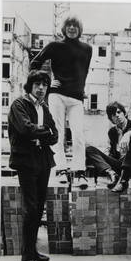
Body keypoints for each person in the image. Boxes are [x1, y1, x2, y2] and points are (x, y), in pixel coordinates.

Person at [30, 15, 92, 189]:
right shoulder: (54, 46)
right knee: (57, 133)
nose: (72, 28)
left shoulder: (87, 49)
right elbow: (35, 63)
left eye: (75, 25)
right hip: (57, 95)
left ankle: (79, 172)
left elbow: (84, 72)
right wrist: (47, 84)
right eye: (69, 25)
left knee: (78, 134)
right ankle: (61, 170)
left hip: (76, 98)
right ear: (64, 28)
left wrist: (81, 88)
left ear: (80, 28)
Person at [8, 70, 58, 261]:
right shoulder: (19, 105)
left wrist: (42, 134)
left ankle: (32, 251)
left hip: (43, 161)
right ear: (30, 86)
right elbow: (25, 129)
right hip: (26, 162)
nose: (41, 88)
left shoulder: (44, 107)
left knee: (38, 209)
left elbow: (55, 134)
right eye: (37, 84)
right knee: (30, 209)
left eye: (44, 85)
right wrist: (43, 132)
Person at [86, 101, 131, 192]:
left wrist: (128, 135)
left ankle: (123, 182)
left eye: (119, 112)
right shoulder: (112, 132)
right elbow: (113, 154)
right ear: (111, 119)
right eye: (114, 115)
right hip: (121, 167)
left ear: (124, 113)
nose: (117, 116)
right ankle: (112, 174)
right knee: (89, 149)